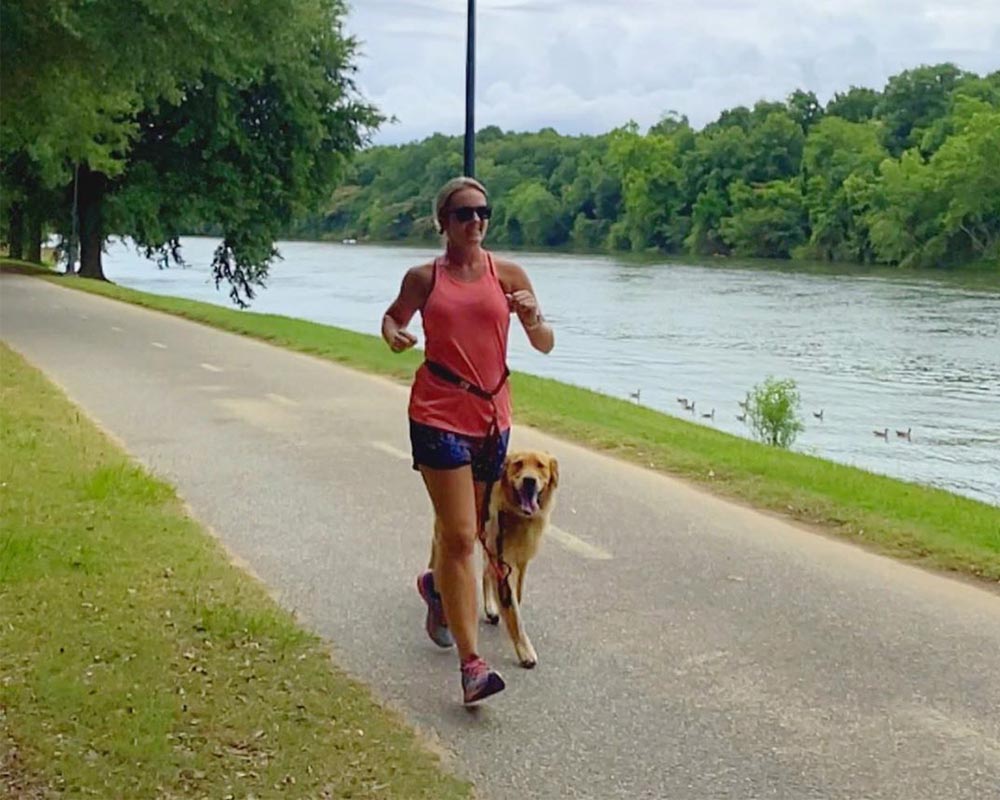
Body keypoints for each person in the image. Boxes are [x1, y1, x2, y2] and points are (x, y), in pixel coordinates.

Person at [381, 176, 554, 704]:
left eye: (483, 212)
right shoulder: (423, 278)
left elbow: (544, 344)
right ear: (443, 223)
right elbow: (394, 317)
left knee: (475, 530)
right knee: (460, 537)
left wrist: (531, 316)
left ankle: (437, 587)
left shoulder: (508, 275)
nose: (475, 222)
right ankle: (472, 665)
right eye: (463, 214)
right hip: (437, 412)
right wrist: (393, 332)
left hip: (491, 418)